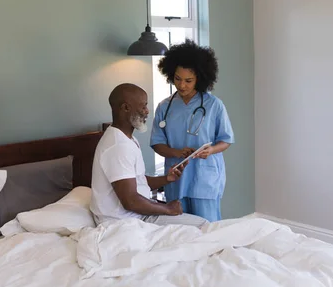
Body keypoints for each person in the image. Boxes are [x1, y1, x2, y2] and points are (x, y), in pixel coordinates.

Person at [90, 83, 207, 228]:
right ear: (126, 108)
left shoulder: (127, 139)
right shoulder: (118, 147)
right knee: (202, 226)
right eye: (143, 106)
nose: (147, 111)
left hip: (137, 215)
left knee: (203, 227)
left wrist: (167, 179)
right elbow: (130, 201)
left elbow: (137, 181)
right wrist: (168, 209)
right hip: (125, 222)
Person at [150, 40, 234, 222]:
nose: (182, 85)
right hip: (177, 178)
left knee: (207, 229)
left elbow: (226, 140)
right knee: (180, 230)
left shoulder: (213, 105)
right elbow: (157, 143)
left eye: (189, 81)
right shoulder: (164, 107)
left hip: (205, 177)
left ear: (201, 78)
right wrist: (176, 152)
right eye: (177, 79)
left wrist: (211, 150)